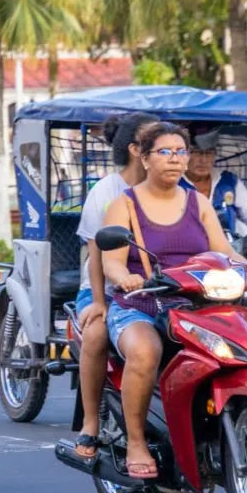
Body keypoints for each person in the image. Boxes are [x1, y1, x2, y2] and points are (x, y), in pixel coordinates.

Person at [99, 123, 247, 479]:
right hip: (140, 305)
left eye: (181, 152)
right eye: (165, 152)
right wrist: (127, 278)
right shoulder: (124, 205)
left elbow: (223, 251)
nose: (176, 160)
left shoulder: (198, 202)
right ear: (145, 157)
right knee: (145, 352)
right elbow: (112, 263)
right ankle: (136, 441)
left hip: (195, 305)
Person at [71, 112, 158, 461]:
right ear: (137, 149)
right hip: (105, 288)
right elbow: (96, 252)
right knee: (96, 334)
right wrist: (99, 301)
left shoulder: (176, 189)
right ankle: (91, 422)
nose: (170, 155)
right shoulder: (106, 191)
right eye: (158, 144)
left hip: (157, 290)